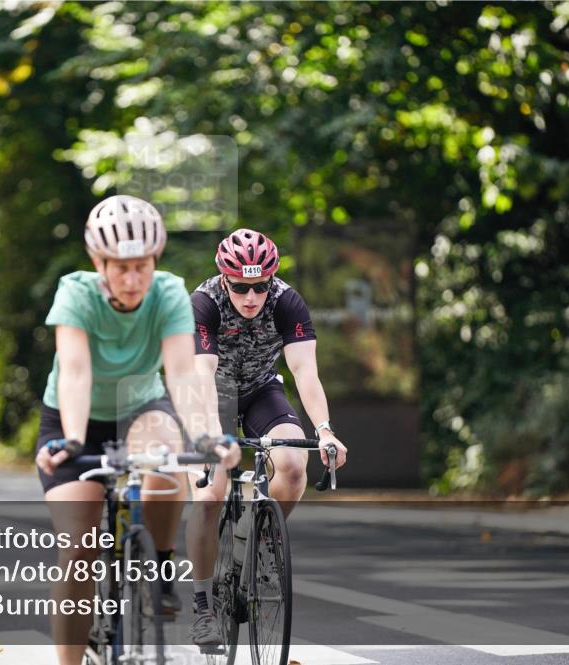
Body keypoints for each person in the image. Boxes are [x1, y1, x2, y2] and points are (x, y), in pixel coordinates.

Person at [33, 195, 240, 664]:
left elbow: (183, 373)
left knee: (166, 459)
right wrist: (70, 438)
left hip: (141, 406)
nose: (132, 279)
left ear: (155, 260)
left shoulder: (168, 293)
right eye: (120, 267)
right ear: (98, 262)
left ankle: (162, 565)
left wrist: (207, 436)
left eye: (141, 266)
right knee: (78, 550)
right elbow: (75, 371)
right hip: (74, 417)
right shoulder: (76, 292)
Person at [185, 228, 349, 643]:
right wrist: (206, 436)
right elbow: (202, 375)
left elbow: (305, 371)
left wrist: (325, 431)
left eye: (260, 286)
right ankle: (203, 605)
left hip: (261, 388)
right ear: (225, 279)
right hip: (213, 394)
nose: (251, 297)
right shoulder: (204, 303)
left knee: (293, 463)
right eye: (241, 287)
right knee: (208, 495)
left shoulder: (286, 301)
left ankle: (259, 537)